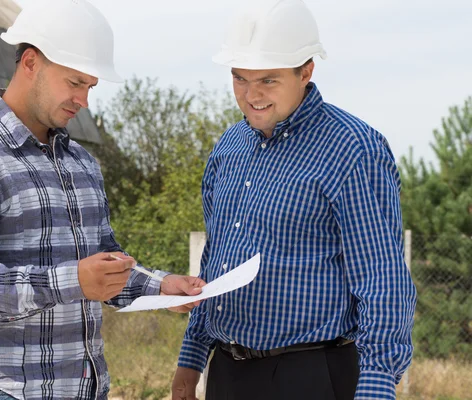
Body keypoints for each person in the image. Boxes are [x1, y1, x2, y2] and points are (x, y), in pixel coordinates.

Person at [0, 1, 204, 399]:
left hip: (84, 389)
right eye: (74, 83)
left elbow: (104, 265)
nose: (83, 100)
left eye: (90, 86)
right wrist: (74, 281)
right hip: (3, 390)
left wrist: (159, 287)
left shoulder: (82, 164)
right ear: (31, 62)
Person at [171, 1, 417, 399]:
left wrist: (375, 384)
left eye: (268, 80)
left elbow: (382, 279)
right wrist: (192, 356)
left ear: (306, 71)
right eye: (239, 79)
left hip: (312, 375)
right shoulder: (229, 147)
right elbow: (216, 261)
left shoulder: (352, 149)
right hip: (227, 374)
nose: (251, 96)